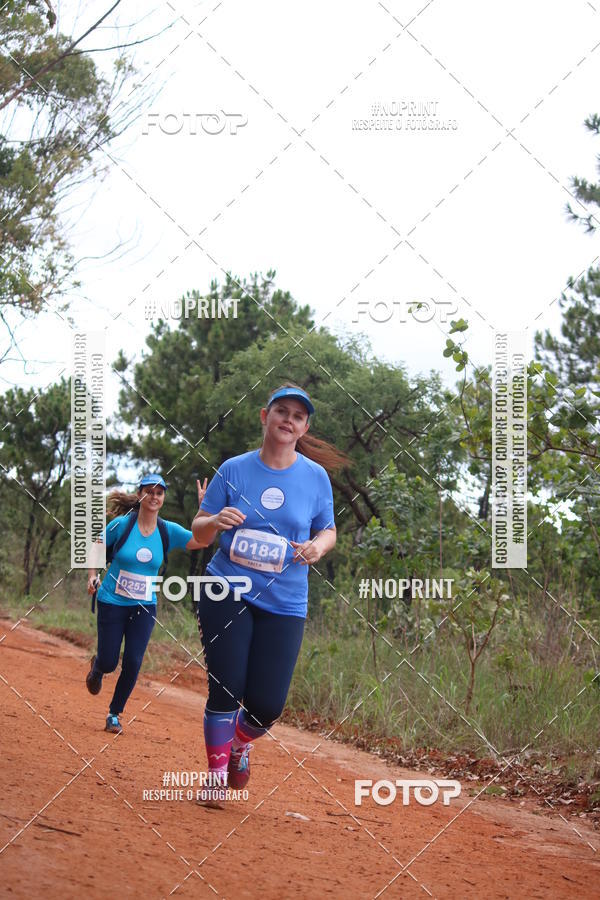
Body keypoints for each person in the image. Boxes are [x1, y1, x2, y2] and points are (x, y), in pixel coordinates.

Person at [192, 384, 348, 806]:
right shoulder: (234, 469)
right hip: (227, 587)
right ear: (265, 416)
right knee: (225, 686)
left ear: (304, 427)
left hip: (286, 600)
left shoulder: (315, 478)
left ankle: (242, 743)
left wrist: (318, 546)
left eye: (297, 416)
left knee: (266, 706)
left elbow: (328, 529)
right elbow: (199, 531)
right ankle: (215, 775)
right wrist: (215, 519)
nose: (288, 420)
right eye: (282, 411)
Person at [86, 473, 207, 733]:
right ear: (140, 494)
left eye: (159, 492)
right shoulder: (121, 525)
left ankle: (114, 714)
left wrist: (205, 511)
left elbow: (202, 540)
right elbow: (96, 547)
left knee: (133, 661)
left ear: (163, 498)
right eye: (149, 491)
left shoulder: (168, 531)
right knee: (109, 661)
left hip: (144, 606)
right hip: (112, 601)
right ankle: (98, 668)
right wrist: (93, 576)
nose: (154, 496)